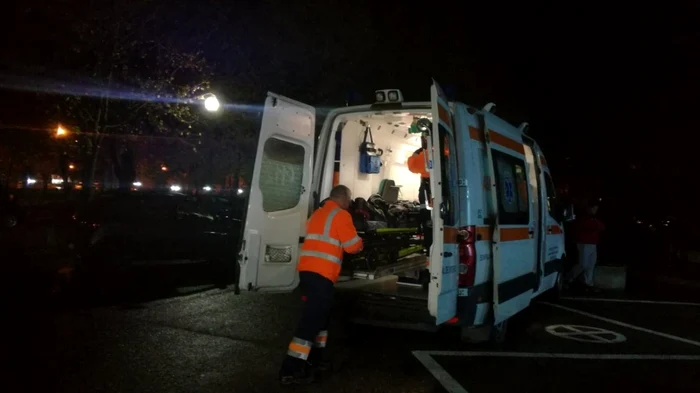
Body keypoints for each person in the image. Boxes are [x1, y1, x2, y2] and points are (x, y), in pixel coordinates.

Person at [279, 185, 363, 385]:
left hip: (307, 273)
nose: (350, 203)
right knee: (311, 322)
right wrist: (361, 243)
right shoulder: (341, 215)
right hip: (322, 275)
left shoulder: (317, 214)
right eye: (349, 199)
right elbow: (352, 246)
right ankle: (289, 370)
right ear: (342, 198)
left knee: (321, 319)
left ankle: (316, 360)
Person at [406, 136, 433, 250]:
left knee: (427, 222)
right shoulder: (446, 151)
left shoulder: (426, 154)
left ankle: (428, 246)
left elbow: (412, 167)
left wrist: (415, 154)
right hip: (437, 192)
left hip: (428, 191)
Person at [574, 202, 605, 291]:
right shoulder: (584, 217)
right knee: (583, 264)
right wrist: (595, 225)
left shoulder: (593, 218)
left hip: (592, 243)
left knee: (591, 264)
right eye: (594, 209)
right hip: (584, 243)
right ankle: (570, 278)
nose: (595, 211)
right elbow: (589, 226)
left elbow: (602, 227)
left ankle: (588, 283)